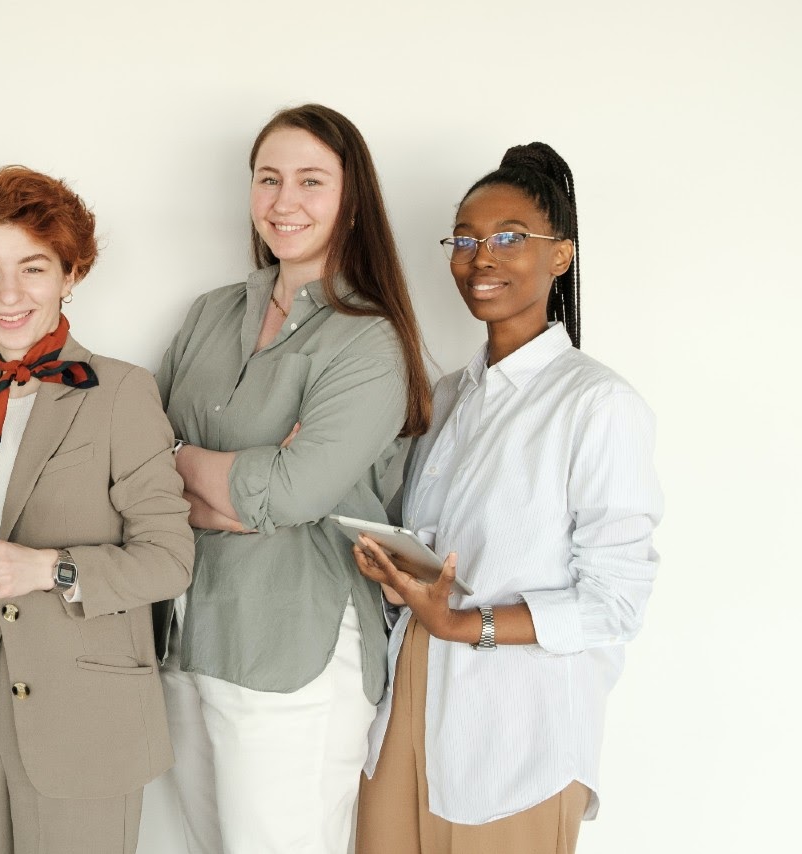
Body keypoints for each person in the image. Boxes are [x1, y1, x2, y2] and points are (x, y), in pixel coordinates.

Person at [352, 143, 663, 854]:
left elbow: (616, 602)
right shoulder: (450, 397)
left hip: (519, 729)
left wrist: (468, 626)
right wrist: (400, 576)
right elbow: (443, 558)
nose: (479, 257)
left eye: (508, 238)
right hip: (410, 701)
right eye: (464, 239)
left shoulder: (598, 405)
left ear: (561, 257)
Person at [154, 104, 433, 854]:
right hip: (189, 637)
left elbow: (294, 495)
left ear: (351, 199)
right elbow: (141, 472)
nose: (285, 201)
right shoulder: (211, 314)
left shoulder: (369, 341)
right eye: (268, 179)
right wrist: (241, 484)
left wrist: (202, 470)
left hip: (294, 652)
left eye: (311, 181)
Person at [0, 166, 194, 854]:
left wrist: (47, 569)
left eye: (33, 268)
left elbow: (169, 561)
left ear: (71, 274)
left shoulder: (123, 392)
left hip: (88, 722)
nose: (8, 294)